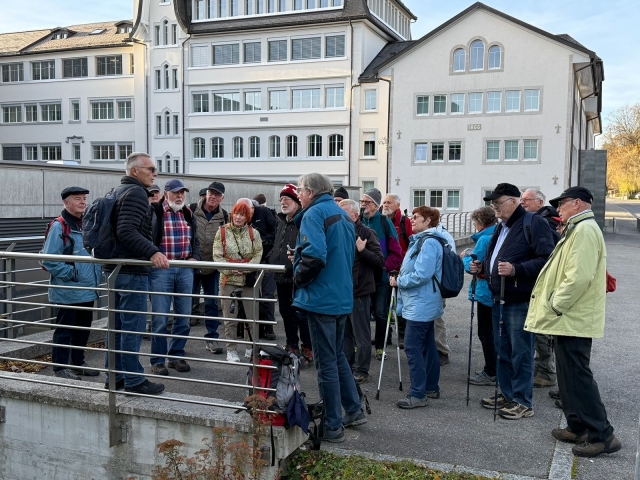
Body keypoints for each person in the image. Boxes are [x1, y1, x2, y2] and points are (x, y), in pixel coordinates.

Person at [525, 187, 622, 457]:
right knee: (568, 377)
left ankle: (603, 435)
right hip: (569, 316)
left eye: (562, 203)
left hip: (572, 315)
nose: (558, 209)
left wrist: (555, 305)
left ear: (577, 203)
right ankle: (577, 426)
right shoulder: (577, 228)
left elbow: (578, 276)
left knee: (578, 376)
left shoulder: (585, 230)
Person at [470, 183, 555, 419]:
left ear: (514, 201)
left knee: (521, 352)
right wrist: (482, 267)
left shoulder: (533, 223)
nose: (494, 207)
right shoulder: (502, 226)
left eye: (498, 202)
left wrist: (516, 269)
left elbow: (547, 259)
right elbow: (497, 258)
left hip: (520, 298)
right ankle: (508, 394)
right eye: (493, 203)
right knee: (503, 351)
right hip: (499, 298)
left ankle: (523, 402)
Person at [293, 173, 366, 443]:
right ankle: (354, 410)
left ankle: (333, 425)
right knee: (337, 358)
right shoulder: (342, 215)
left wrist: (297, 276)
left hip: (321, 298)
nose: (298, 194)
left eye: (299, 190)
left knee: (326, 364)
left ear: (310, 192)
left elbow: (315, 256)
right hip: (340, 296)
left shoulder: (314, 214)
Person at [103, 152, 169, 395]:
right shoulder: (136, 194)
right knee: (132, 327)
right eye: (150, 169)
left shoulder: (117, 191)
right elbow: (126, 231)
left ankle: (115, 377)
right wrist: (153, 252)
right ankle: (134, 381)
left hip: (115, 270)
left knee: (116, 327)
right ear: (134, 171)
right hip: (132, 272)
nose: (155, 174)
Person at [42, 187, 102, 380]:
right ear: (66, 203)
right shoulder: (59, 226)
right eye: (78, 199)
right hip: (69, 290)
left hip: (88, 288)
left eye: (84, 198)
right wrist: (72, 274)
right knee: (65, 330)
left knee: (82, 330)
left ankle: (77, 363)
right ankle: (60, 368)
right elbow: (48, 259)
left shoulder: (86, 224)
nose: (83, 202)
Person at [390, 206, 445, 409]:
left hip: (421, 303)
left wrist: (399, 281)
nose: (411, 220)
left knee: (412, 347)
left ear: (428, 220)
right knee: (427, 345)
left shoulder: (428, 242)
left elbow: (422, 274)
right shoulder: (424, 240)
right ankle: (430, 387)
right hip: (422, 301)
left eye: (416, 217)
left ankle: (417, 393)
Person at [148, 179, 201, 376]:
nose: (179, 196)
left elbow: (196, 240)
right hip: (161, 269)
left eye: (182, 193)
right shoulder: (155, 212)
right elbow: (147, 238)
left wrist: (195, 257)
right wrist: (153, 254)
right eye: (175, 192)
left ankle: (176, 356)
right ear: (166, 193)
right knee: (160, 318)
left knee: (184, 317)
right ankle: (157, 360)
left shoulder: (188, 213)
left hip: (185, 268)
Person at [267, 184, 313, 367]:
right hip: (281, 274)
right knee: (286, 313)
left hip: (298, 275)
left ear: (296, 201)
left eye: (287, 199)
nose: (283, 202)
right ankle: (292, 345)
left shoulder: (304, 220)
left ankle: (307, 348)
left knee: (301, 314)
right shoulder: (281, 221)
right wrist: (271, 259)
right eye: (281, 199)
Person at [340, 199, 384, 384]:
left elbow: (380, 261)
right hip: (342, 290)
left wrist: (362, 251)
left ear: (355, 215)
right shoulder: (339, 231)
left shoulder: (366, 233)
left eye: (343, 213)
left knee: (361, 334)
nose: (339, 216)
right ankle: (347, 367)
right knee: (345, 334)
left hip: (359, 290)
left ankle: (361, 370)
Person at [213, 201, 263, 363]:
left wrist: (246, 269)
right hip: (228, 280)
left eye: (242, 214)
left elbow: (258, 254)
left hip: (248, 280)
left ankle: (250, 347)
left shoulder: (254, 233)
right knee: (230, 317)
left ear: (247, 217)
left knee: (251, 316)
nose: (238, 217)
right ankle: (231, 350)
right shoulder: (222, 232)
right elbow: (217, 256)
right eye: (236, 213)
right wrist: (230, 269)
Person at [520, 188, 559, 388]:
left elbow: (546, 256)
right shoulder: (535, 220)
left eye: (527, 199)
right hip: (536, 283)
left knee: (541, 329)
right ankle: (542, 368)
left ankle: (546, 372)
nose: (523, 202)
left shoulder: (544, 222)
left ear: (540, 203)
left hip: (542, 285)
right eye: (521, 199)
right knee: (538, 329)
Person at [360, 188, 403, 360]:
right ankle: (360, 346)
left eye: (367, 202)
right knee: (361, 314)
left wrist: (385, 267)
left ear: (376, 205)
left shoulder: (385, 222)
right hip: (361, 278)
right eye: (362, 201)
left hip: (380, 278)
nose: (363, 205)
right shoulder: (357, 221)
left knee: (381, 313)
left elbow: (396, 252)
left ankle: (380, 347)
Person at [461, 207, 497, 386]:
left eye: (475, 223)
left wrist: (464, 258)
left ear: (480, 223)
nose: (474, 226)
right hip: (494, 289)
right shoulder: (497, 233)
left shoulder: (484, 239)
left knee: (485, 332)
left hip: (485, 291)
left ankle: (491, 371)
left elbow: (474, 264)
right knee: (492, 331)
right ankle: (493, 368)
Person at [193, 182, 228, 355]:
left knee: (212, 303)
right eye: (211, 193)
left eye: (217, 194)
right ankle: (178, 343)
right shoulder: (191, 210)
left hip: (212, 266)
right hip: (191, 264)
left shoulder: (224, 216)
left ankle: (212, 338)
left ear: (222, 198)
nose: (213, 197)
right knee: (184, 302)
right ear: (206, 194)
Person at [243, 197, 278, 340]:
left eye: (247, 210)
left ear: (253, 207)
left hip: (267, 260)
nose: (245, 213)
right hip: (250, 261)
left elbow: (276, 232)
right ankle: (251, 328)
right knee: (250, 294)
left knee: (267, 294)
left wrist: (263, 240)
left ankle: (268, 326)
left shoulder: (263, 212)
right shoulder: (240, 217)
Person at [381, 194, 412, 348]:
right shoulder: (380, 220)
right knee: (383, 305)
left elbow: (411, 244)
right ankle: (385, 336)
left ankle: (402, 336)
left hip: (401, 270)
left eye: (389, 203)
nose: (385, 205)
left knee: (401, 305)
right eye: (384, 202)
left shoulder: (404, 222)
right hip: (384, 269)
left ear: (398, 205)